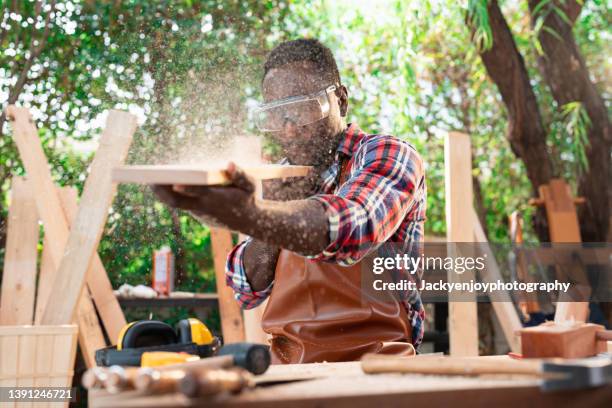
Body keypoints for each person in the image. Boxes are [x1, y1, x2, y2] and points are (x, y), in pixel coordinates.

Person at [152, 38, 427, 364]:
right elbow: (245, 288)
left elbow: (354, 227)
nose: (290, 129)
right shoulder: (279, 177)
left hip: (378, 365)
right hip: (289, 366)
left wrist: (252, 214)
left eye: (303, 108)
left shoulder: (387, 155)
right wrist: (266, 216)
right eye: (276, 115)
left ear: (341, 100)